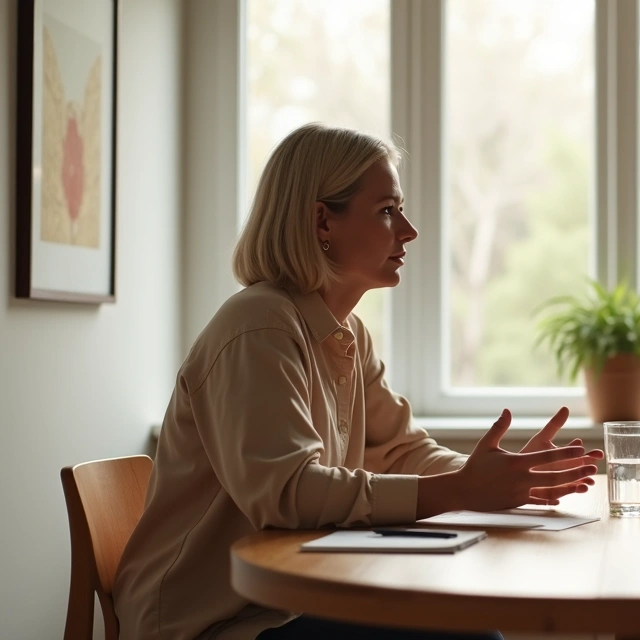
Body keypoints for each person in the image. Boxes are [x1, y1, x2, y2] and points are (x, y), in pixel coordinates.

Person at [113, 123, 602, 640]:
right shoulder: (258, 327)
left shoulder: (347, 333)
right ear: (323, 220)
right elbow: (289, 495)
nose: (409, 230)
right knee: (471, 635)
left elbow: (400, 450)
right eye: (387, 211)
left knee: (471, 626)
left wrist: (498, 477)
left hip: (288, 603)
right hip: (215, 626)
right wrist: (463, 488)